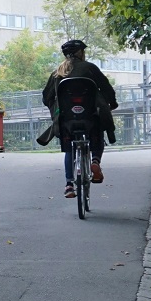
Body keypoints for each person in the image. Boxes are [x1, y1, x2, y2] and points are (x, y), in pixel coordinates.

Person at [41, 39, 118, 198]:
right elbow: (106, 87)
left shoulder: (58, 73)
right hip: (90, 117)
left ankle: (69, 184)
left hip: (67, 120)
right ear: (80, 53)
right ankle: (95, 161)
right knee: (97, 134)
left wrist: (54, 108)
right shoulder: (90, 68)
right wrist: (112, 103)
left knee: (69, 148)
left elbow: (46, 97)